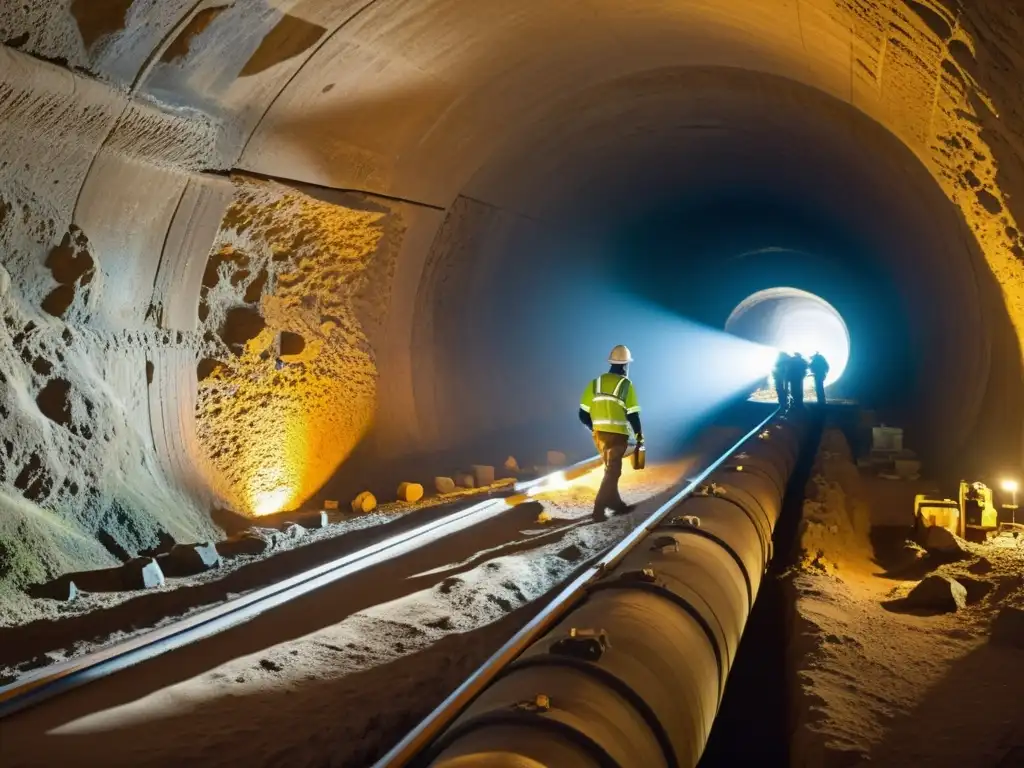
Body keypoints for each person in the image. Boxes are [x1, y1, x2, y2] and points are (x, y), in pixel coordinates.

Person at [579, 344, 644, 521]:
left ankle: (616, 504)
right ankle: (598, 509)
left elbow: (582, 414)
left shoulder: (595, 383)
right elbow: (633, 415)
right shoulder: (625, 385)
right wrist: (639, 435)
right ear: (625, 365)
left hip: (599, 436)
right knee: (613, 471)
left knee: (611, 469)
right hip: (617, 436)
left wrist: (595, 428)